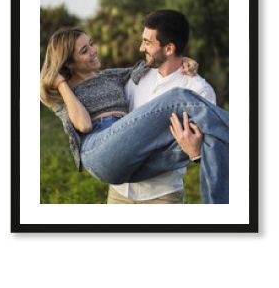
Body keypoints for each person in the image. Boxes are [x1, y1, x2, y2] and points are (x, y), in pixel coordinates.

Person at [40, 23, 229, 203]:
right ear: (69, 63)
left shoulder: (111, 76)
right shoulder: (60, 95)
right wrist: (61, 83)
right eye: (84, 51)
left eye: (91, 44)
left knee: (198, 138)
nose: (93, 50)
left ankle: (224, 205)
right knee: (178, 97)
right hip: (98, 150)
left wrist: (183, 60)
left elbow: (153, 62)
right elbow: (84, 125)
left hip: (129, 158)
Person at [108, 10, 217, 204]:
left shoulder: (199, 91)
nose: (141, 48)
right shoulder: (135, 79)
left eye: (148, 42)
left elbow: (212, 152)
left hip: (162, 197)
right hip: (118, 193)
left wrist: (197, 153)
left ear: (169, 49)